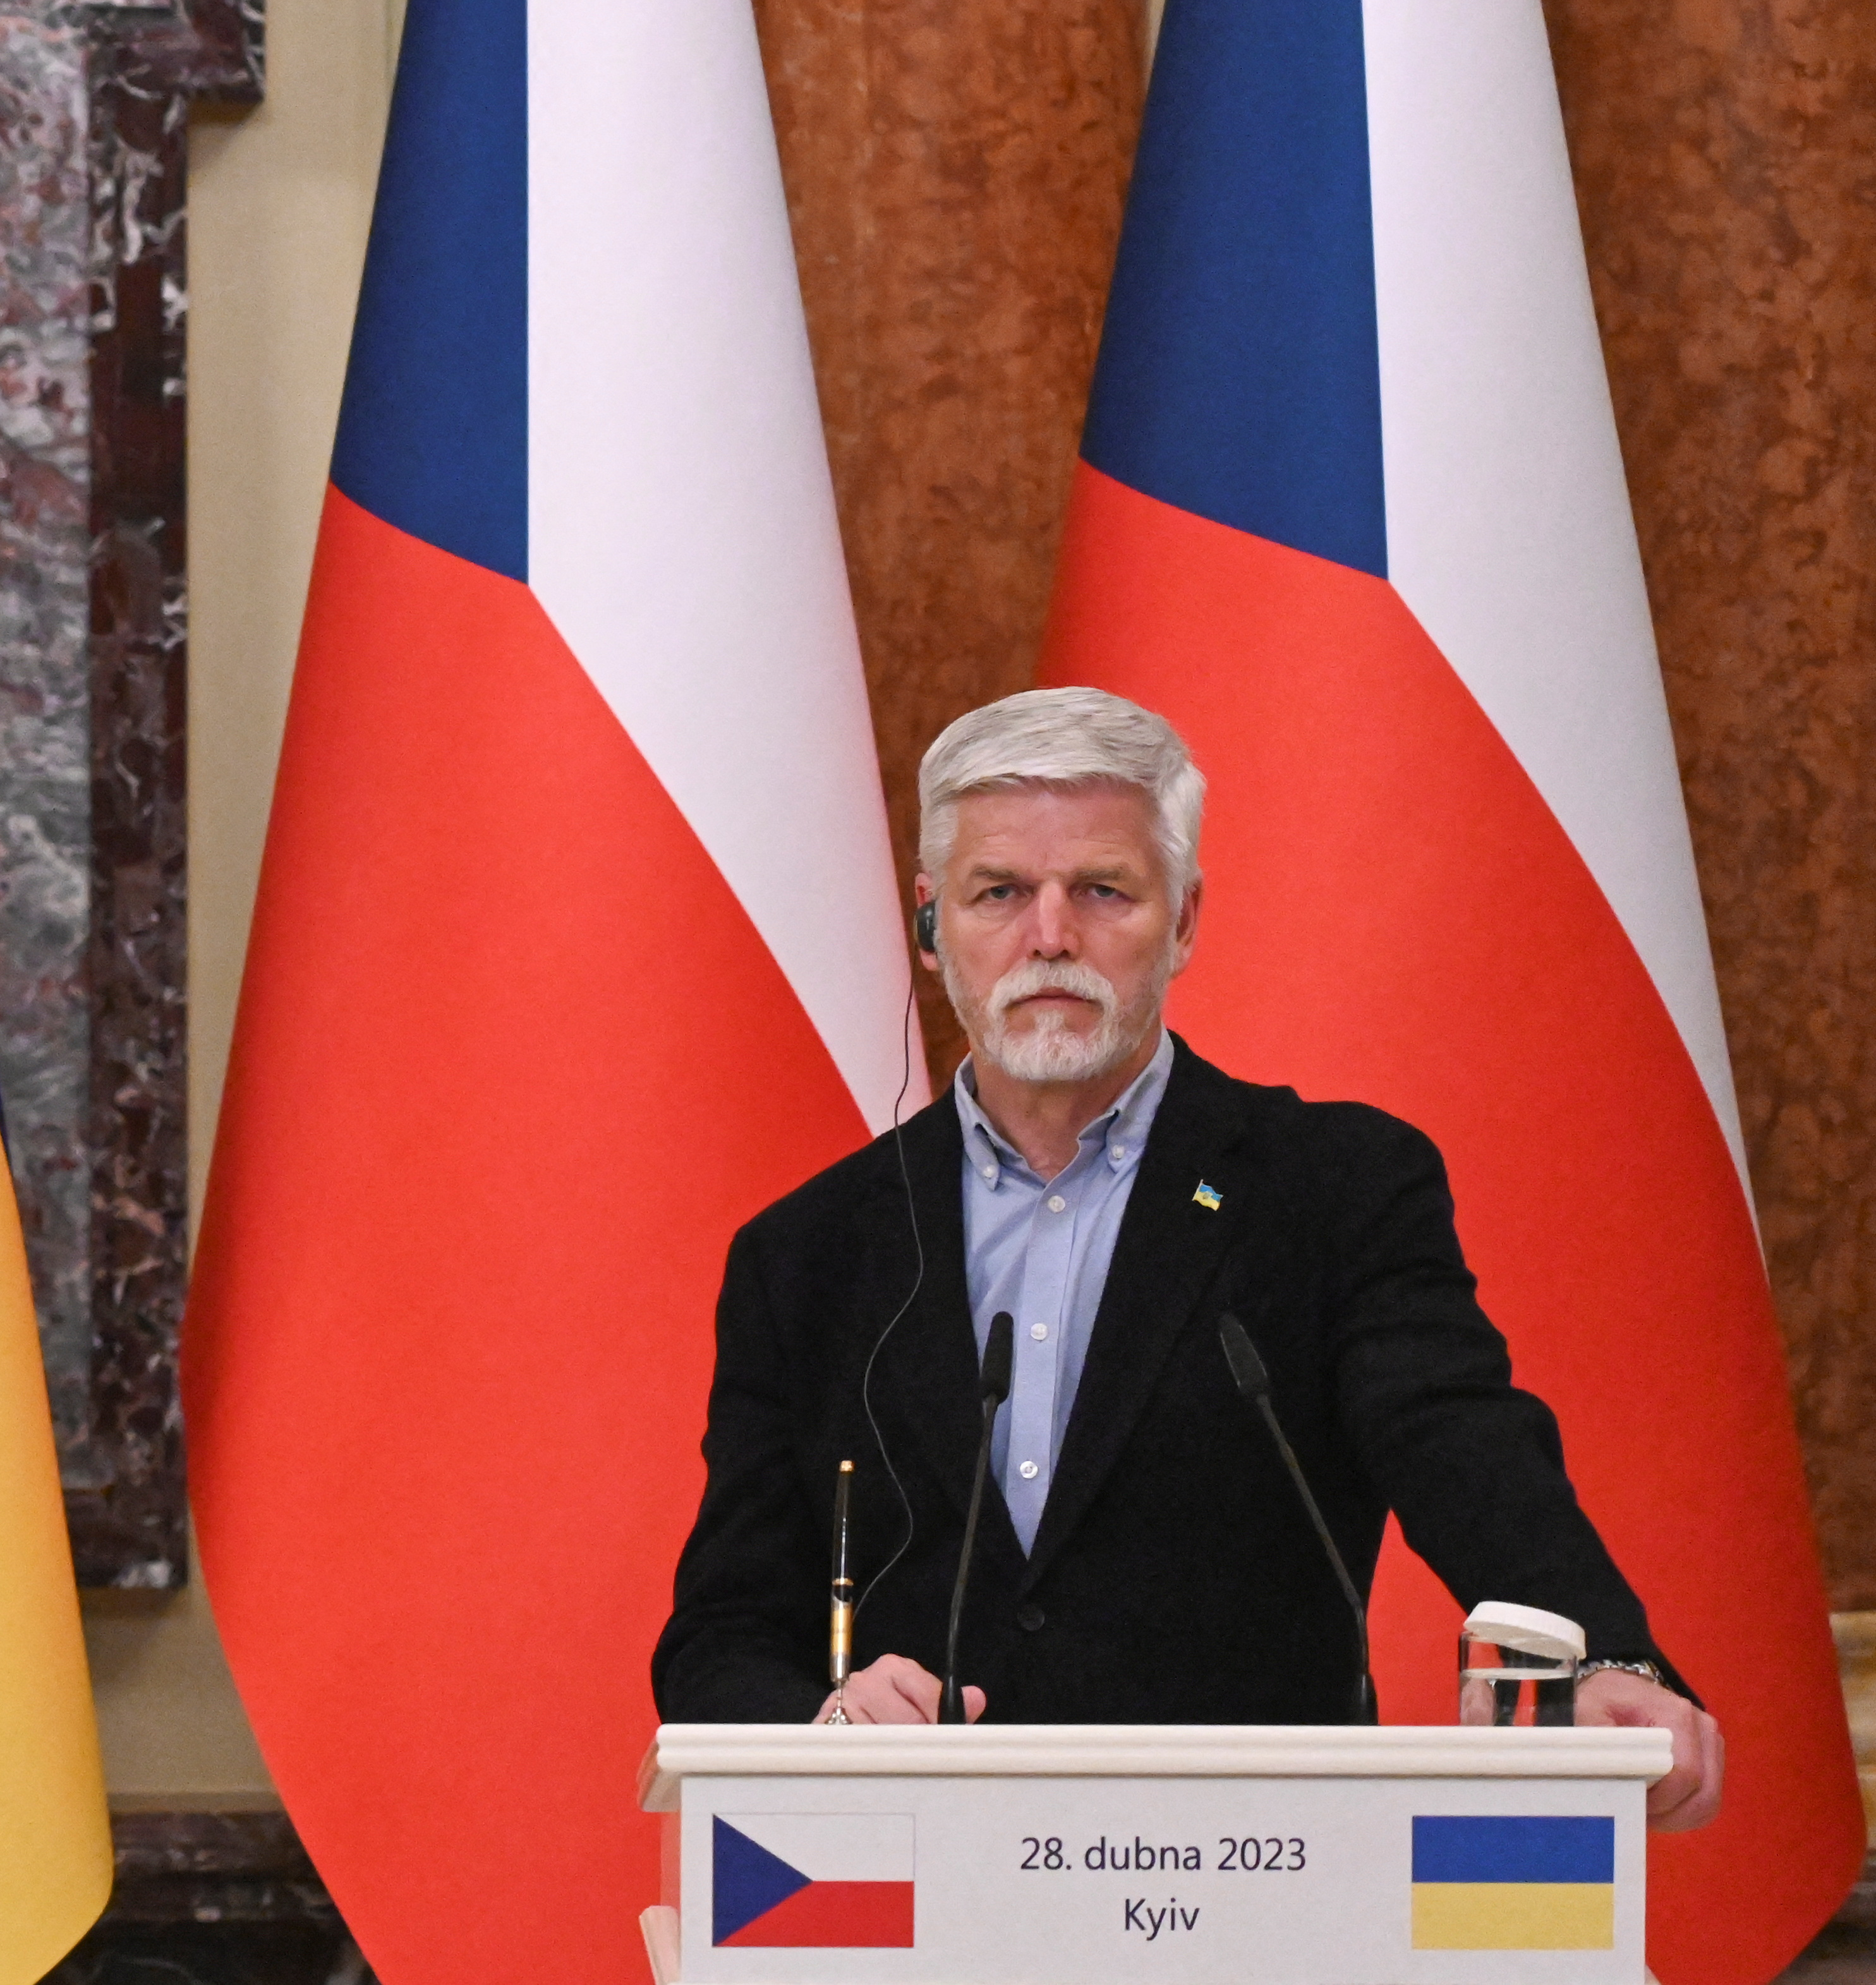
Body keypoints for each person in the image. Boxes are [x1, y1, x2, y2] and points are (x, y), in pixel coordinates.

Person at [651, 689, 1724, 1829]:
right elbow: (721, 1637)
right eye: (999, 893)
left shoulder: (1333, 1189)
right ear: (930, 926)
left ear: (1185, 918)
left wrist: (1612, 1659)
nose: (1050, 935)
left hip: (1253, 1873)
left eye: (1102, 891)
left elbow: (1464, 1451)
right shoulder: (808, 1253)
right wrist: (822, 1732)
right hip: (920, 1883)